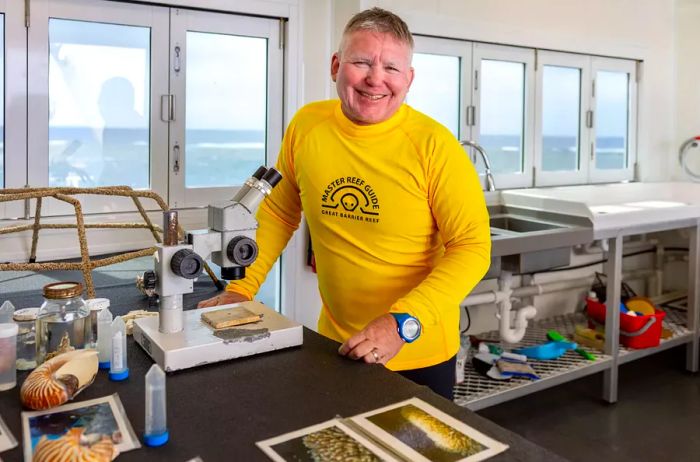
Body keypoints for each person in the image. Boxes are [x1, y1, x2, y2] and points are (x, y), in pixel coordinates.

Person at [198, 7, 490, 399]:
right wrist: (242, 288)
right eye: (362, 62)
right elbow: (282, 213)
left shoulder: (436, 147)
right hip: (335, 341)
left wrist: (402, 322)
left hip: (417, 350)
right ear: (336, 65)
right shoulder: (307, 126)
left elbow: (472, 249)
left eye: (392, 68)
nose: (375, 79)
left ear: (410, 78)